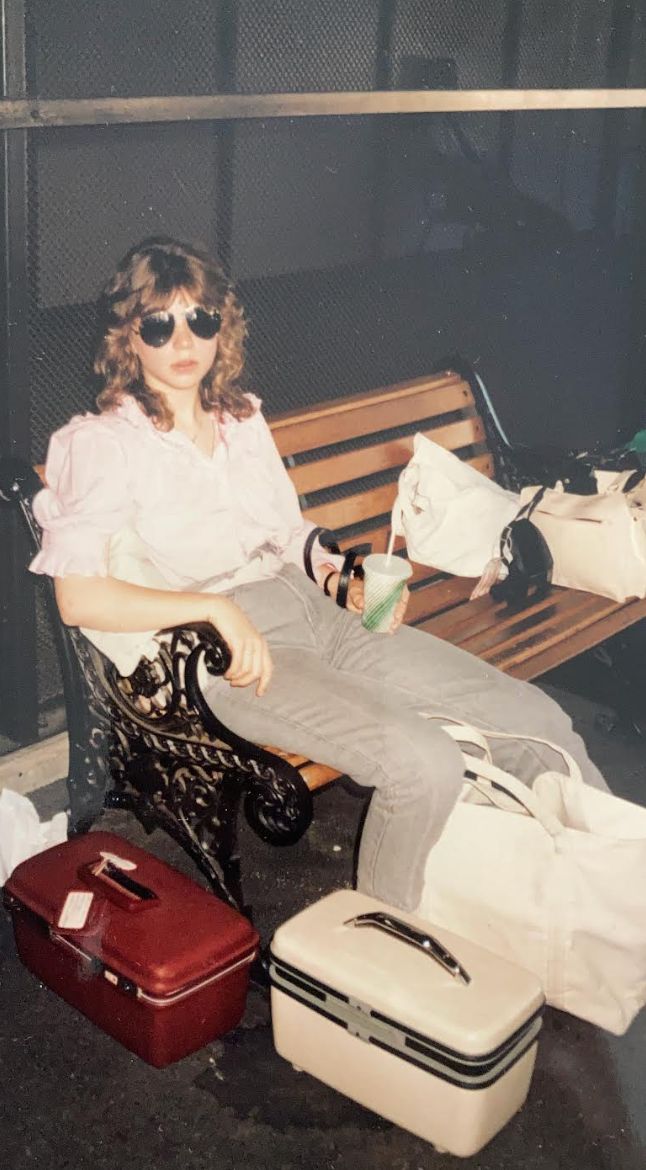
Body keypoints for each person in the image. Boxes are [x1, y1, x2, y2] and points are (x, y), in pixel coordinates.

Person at [29, 236, 609, 912]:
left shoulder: (239, 419)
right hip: (228, 656)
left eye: (201, 319)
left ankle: (597, 901)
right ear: (128, 336)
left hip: (314, 613)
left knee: (535, 719)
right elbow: (77, 597)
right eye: (159, 323)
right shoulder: (101, 445)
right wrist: (211, 611)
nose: (184, 339)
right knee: (421, 764)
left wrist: (344, 582)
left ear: (223, 325)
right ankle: (387, 960)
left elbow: (289, 534)